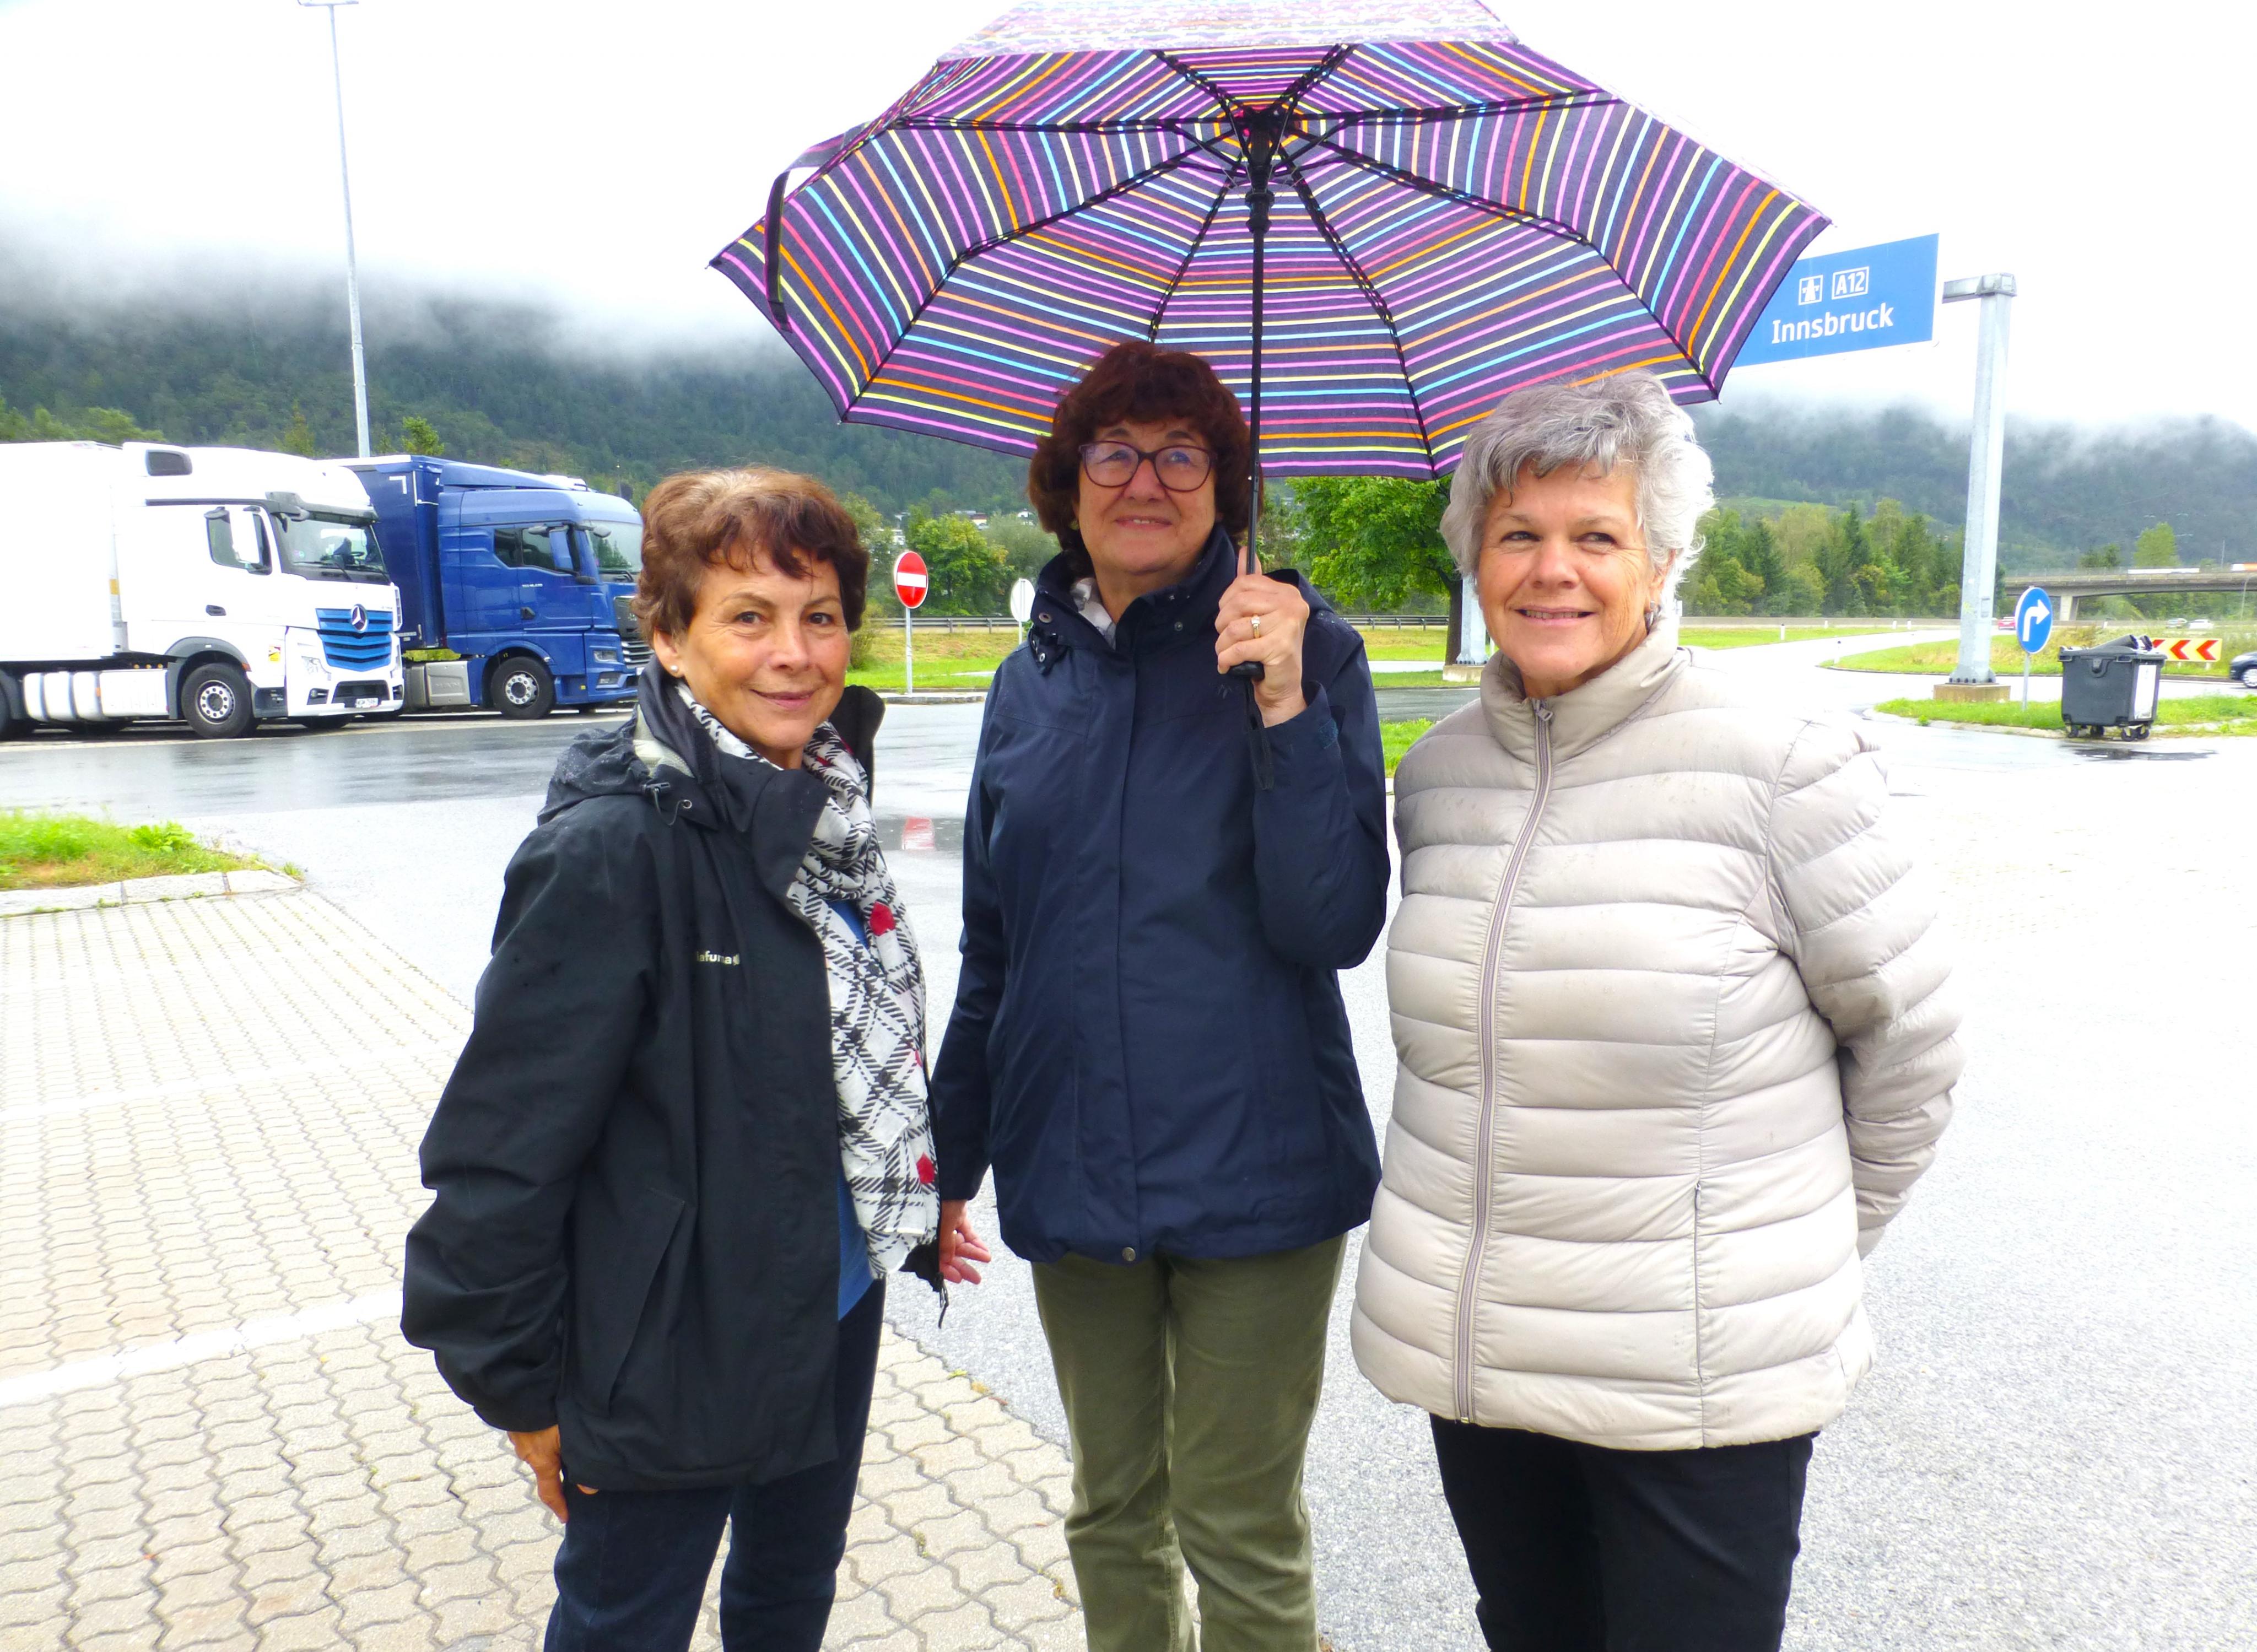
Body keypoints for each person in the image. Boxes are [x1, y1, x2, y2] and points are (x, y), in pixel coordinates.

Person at [1351, 372, 1963, 1652]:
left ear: (1663, 557)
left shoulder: (1786, 760)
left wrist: (1777, 1252)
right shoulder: (1440, 775)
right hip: (1487, 1367)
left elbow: (1907, 1046)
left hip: (1697, 1381)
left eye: (1596, 534)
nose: (1551, 569)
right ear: (1474, 559)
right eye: (1516, 534)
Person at [401, 467, 940, 1652]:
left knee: (788, 1594)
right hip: (666, 1343)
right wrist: (518, 1386)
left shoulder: (824, 806)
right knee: (624, 1625)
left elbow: (847, 1060)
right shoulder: (613, 848)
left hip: (827, 1297)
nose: (794, 654)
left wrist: (904, 1196)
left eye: (820, 615)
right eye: (748, 616)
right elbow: (501, 1150)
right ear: (669, 635)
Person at [929, 339, 1390, 1652]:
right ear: (1064, 483)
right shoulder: (1026, 683)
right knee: (1110, 1508)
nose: (1144, 480)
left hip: (1258, 1170)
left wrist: (1284, 703)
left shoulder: (1311, 654)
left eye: (1181, 454)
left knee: (1236, 1523)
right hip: (1073, 1160)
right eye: (1113, 451)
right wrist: (946, 1158)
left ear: (1225, 487)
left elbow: (1331, 922)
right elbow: (993, 948)